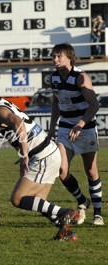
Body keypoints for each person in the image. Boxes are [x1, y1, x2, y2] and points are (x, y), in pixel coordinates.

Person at [0, 79, 80, 241]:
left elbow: (18, 123)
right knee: (39, 202)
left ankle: (64, 212)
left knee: (17, 199)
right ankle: (65, 231)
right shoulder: (2, 104)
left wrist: (24, 155)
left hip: (42, 155)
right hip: (49, 152)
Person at [48, 43, 104, 226]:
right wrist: (51, 127)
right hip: (65, 128)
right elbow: (56, 103)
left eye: (59, 56)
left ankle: (98, 213)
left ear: (69, 58)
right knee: (61, 170)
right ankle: (82, 201)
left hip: (85, 128)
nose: (55, 59)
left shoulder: (81, 77)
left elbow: (94, 105)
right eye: (54, 56)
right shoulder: (53, 78)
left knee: (91, 170)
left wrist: (80, 124)